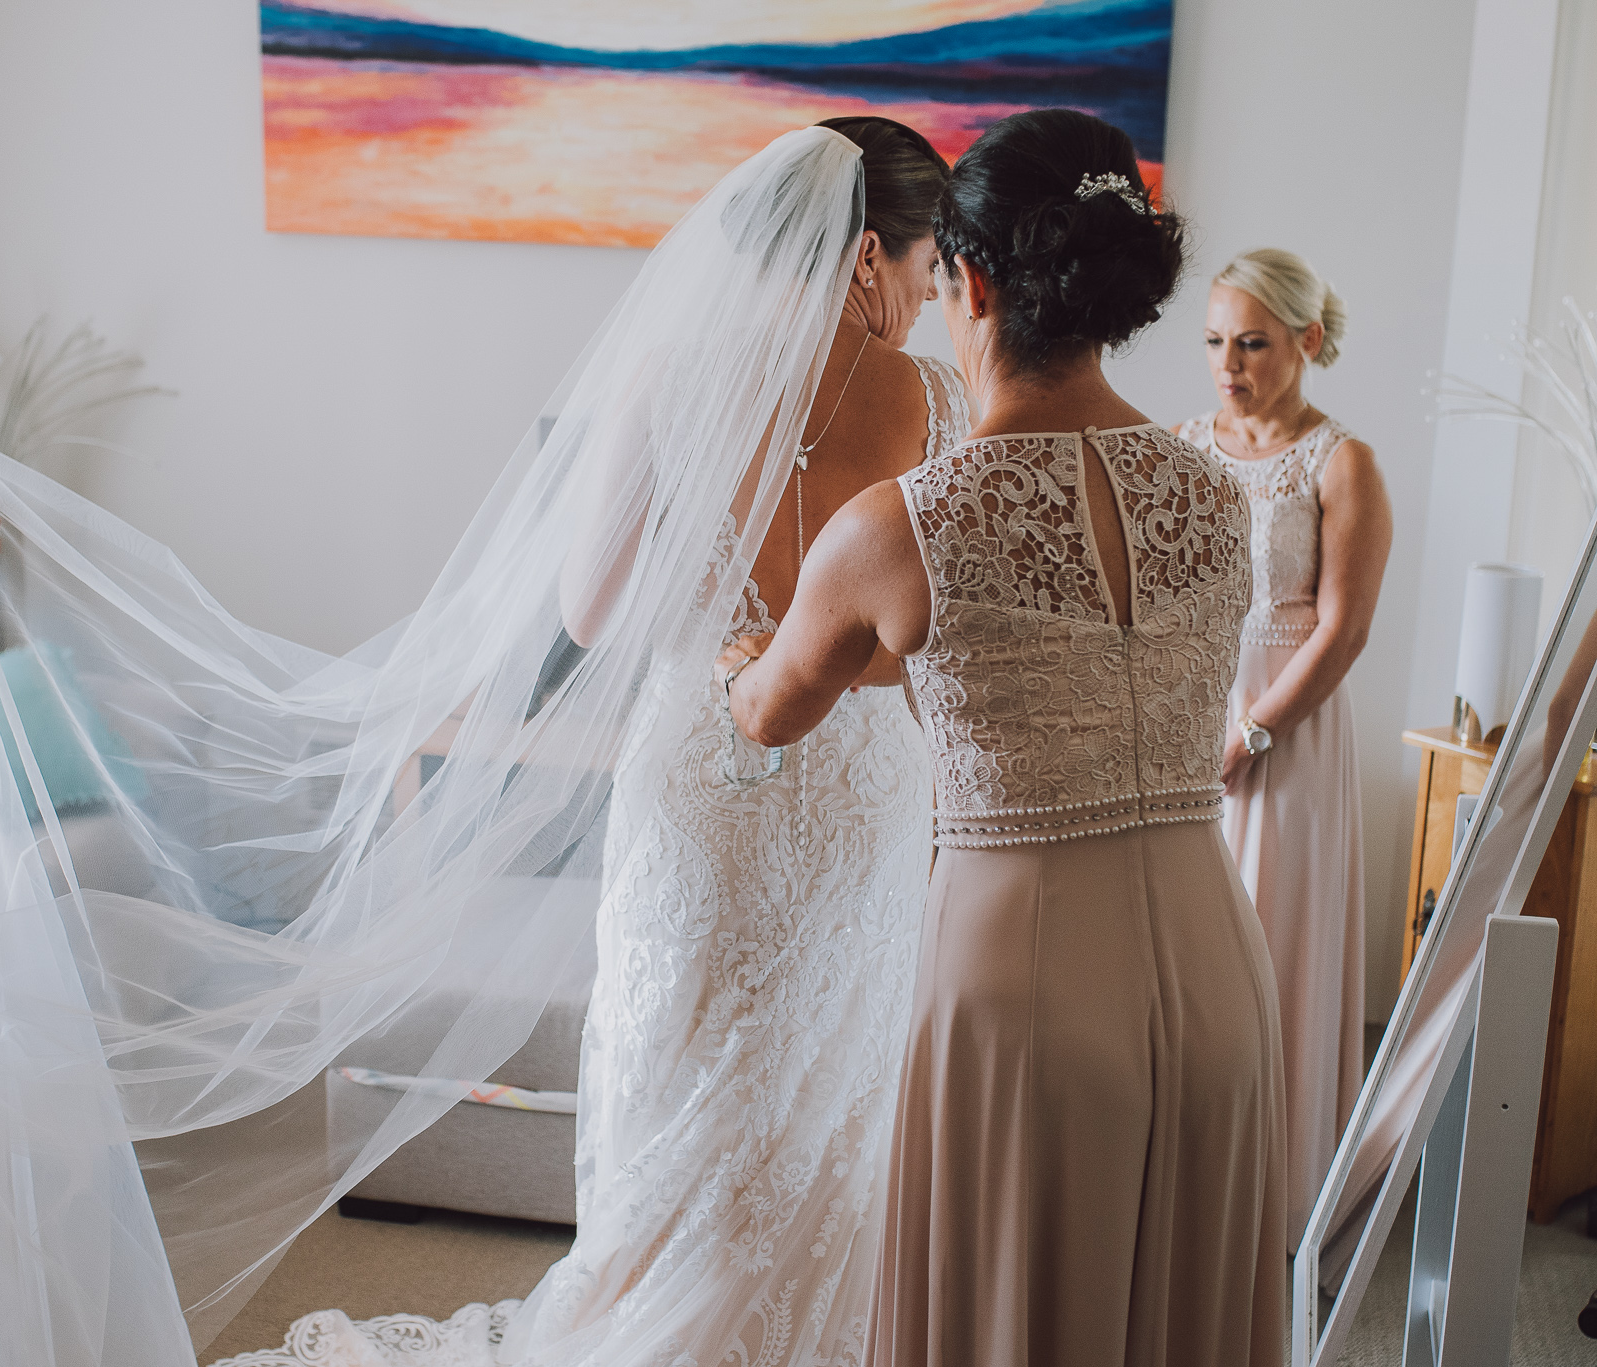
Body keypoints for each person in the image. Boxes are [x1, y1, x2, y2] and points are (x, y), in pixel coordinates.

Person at [222, 116, 974, 1367]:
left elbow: (589, 608)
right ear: (868, 259)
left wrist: (721, 604)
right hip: (860, 774)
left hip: (698, 767)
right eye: (922, 263)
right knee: (831, 1071)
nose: (928, 293)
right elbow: (935, 627)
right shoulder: (935, 398)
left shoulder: (670, 372)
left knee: (676, 1056)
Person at [722, 109, 1287, 1365]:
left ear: (967, 278)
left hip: (1020, 987)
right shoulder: (1216, 487)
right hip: (1213, 960)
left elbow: (770, 708)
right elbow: (1071, 654)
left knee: (1017, 1320)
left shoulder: (898, 527)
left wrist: (728, 660)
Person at [1178, 247, 1391, 1244]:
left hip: (1287, 721)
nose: (1228, 363)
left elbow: (1342, 628)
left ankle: (1273, 1205)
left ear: (1306, 341)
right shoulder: (1186, 444)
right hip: (1189, 715)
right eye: (1216, 341)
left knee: (1271, 949)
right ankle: (1185, 1172)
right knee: (1184, 951)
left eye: (1251, 342)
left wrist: (1252, 732)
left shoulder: (1340, 461)